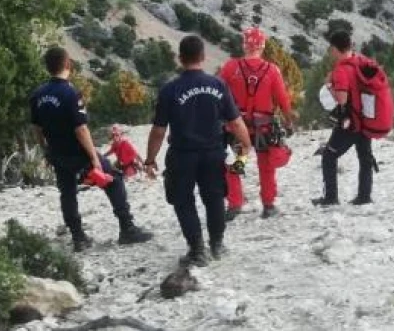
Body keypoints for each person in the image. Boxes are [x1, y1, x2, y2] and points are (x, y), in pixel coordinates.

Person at [29, 47, 153, 252]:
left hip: (57, 154)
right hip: (78, 153)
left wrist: (46, 150)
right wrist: (94, 158)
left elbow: (37, 128)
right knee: (114, 180)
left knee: (67, 192)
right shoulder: (70, 93)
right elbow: (81, 129)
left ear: (48, 67)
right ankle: (127, 228)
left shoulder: (37, 95)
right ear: (67, 63)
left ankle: (79, 238)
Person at [144, 36, 252, 267]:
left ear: (180, 58)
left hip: (182, 155)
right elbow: (235, 121)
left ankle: (197, 249)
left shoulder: (169, 90)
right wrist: (247, 144)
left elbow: (158, 130)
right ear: (203, 57)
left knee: (183, 202)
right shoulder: (218, 85)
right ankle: (217, 244)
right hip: (213, 152)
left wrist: (150, 159)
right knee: (214, 199)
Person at [219, 27, 296, 220]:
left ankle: (235, 204)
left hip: (238, 127)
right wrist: (289, 122)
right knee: (266, 166)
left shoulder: (230, 67)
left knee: (235, 164)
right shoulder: (272, 70)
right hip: (264, 128)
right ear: (262, 46)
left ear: (244, 45)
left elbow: (217, 94)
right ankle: (268, 205)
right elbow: (283, 99)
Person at [312, 31, 378, 207]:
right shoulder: (361, 63)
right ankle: (364, 196)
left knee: (329, 155)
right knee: (365, 157)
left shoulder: (341, 69)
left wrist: (328, 85)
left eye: (331, 48)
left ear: (335, 48)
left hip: (349, 122)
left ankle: (330, 197)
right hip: (366, 119)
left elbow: (342, 99)